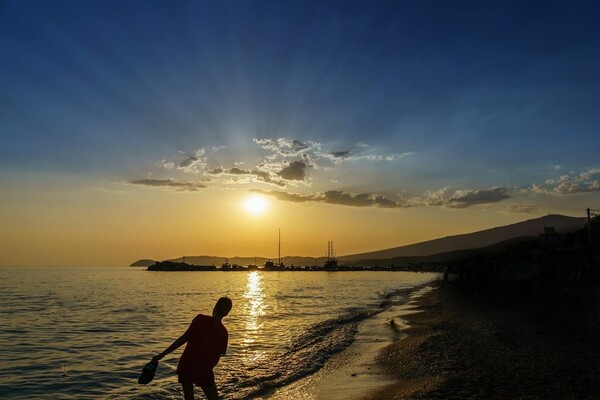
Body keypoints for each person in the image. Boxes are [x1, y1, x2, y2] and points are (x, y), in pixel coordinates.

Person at [153, 297, 232, 400]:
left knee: (188, 397)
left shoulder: (200, 319)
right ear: (226, 313)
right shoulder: (223, 332)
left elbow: (182, 339)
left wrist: (162, 354)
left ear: (215, 307)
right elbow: (220, 354)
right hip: (204, 369)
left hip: (186, 365)